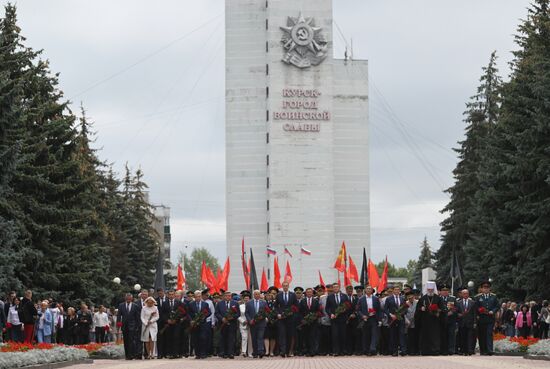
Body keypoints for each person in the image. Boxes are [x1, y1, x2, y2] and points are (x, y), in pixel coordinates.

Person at [416, 281, 443, 355]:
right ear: (427, 289)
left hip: (435, 321)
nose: (430, 291)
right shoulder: (423, 299)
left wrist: (438, 311)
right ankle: (425, 351)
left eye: (431, 289)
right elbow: (418, 309)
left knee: (435, 336)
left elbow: (442, 309)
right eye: (429, 289)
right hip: (425, 321)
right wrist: (421, 309)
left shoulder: (438, 298)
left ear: (434, 289)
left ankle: (435, 350)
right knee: (425, 336)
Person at [474, 281, 498, 355]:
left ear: (489, 288)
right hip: (481, 318)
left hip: (490, 318)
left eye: (487, 287)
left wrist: (493, 311)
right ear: (482, 288)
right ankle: (483, 350)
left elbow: (497, 306)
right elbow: (476, 307)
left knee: (489, 333)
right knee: (482, 334)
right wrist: (479, 311)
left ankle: (489, 350)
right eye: (484, 287)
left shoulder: (494, 296)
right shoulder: (478, 297)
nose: (486, 289)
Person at [325, 282, 350, 356]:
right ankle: (336, 351)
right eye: (334, 287)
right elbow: (327, 308)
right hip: (334, 319)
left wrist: (343, 310)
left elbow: (348, 306)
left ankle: (343, 350)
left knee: (343, 335)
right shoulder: (330, 297)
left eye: (337, 287)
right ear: (332, 288)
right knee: (335, 335)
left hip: (342, 319)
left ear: (339, 288)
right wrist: (331, 314)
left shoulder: (344, 296)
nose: (335, 288)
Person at [274, 281, 298, 357]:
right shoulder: (279, 295)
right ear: (282, 286)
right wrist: (277, 313)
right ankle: (283, 351)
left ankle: (288, 351)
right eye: (284, 286)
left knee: (289, 335)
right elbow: (276, 306)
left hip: (290, 318)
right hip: (281, 318)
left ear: (288, 286)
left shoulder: (293, 295)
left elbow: (296, 306)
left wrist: (292, 313)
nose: (285, 287)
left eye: (286, 286)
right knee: (282, 334)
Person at [357, 285, 382, 356]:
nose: (368, 290)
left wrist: (380, 320)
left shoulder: (375, 298)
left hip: (374, 318)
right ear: (365, 290)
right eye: (367, 289)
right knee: (366, 335)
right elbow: (358, 310)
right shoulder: (361, 299)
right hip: (365, 319)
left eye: (370, 289)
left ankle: (372, 348)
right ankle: (366, 350)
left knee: (374, 334)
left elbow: (379, 310)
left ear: (372, 290)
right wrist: (362, 316)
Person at [215, 290, 240, 359]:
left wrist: (232, 317)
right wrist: (222, 318)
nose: (228, 297)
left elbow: (238, 313)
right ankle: (223, 353)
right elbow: (216, 313)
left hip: (232, 324)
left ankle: (231, 353)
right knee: (223, 338)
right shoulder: (219, 303)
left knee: (231, 339)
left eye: (229, 296)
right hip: (222, 324)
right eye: (226, 296)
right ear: (224, 296)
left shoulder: (235, 303)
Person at [188, 290, 211, 359]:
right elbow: (188, 314)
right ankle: (197, 354)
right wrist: (191, 320)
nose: (198, 298)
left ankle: (203, 353)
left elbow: (209, 312)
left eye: (199, 296)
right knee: (196, 339)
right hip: (195, 324)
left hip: (203, 324)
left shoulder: (205, 304)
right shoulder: (191, 304)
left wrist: (204, 317)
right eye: (197, 297)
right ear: (194, 297)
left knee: (203, 338)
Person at [385, 285, 407, 356]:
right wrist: (390, 315)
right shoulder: (389, 299)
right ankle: (394, 351)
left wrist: (400, 314)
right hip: (392, 319)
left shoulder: (402, 298)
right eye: (395, 290)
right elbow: (385, 309)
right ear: (393, 291)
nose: (397, 291)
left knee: (402, 335)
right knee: (393, 335)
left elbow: (405, 309)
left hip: (401, 319)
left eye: (398, 290)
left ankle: (403, 350)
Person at [117, 293, 141, 360]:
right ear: (125, 298)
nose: (128, 299)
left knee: (131, 340)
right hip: (124, 326)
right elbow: (119, 316)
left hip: (132, 326)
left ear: (131, 299)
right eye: (127, 298)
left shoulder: (135, 306)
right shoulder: (121, 305)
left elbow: (137, 317)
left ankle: (132, 355)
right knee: (126, 341)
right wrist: (118, 325)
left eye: (129, 298)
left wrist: (138, 326)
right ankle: (127, 355)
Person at [245, 289, 268, 358]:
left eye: (258, 294)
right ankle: (255, 352)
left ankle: (260, 351)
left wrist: (262, 317)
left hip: (261, 323)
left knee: (260, 337)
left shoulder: (263, 302)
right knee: (254, 338)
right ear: (253, 295)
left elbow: (266, 312)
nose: (257, 295)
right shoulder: (249, 303)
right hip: (253, 323)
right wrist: (249, 320)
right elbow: (246, 313)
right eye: (256, 294)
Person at [298, 287, 320, 356]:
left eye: (310, 292)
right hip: (305, 322)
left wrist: (314, 317)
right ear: (306, 293)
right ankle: (307, 351)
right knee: (306, 337)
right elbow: (300, 311)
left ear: (312, 293)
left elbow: (318, 311)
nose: (309, 293)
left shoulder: (316, 301)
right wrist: (303, 319)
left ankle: (312, 351)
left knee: (312, 336)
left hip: (313, 322)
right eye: (308, 292)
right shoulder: (302, 301)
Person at [456, 289, 475, 355]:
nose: (465, 295)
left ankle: (469, 350)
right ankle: (463, 350)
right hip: (462, 322)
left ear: (468, 294)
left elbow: (474, 313)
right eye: (464, 293)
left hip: (470, 322)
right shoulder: (458, 302)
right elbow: (456, 312)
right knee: (462, 337)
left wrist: (474, 322)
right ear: (461, 294)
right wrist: (459, 315)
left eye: (466, 293)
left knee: (470, 337)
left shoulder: (472, 302)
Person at [403, 291, 418, 355]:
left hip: (415, 322)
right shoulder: (405, 303)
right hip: (408, 323)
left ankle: (415, 350)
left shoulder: (417, 302)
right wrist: (406, 320)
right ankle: (409, 350)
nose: (410, 299)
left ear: (414, 297)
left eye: (412, 297)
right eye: (409, 298)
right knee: (408, 337)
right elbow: (403, 313)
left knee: (415, 337)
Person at [155, 288, 168, 358]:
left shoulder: (168, 299)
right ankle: (160, 354)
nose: (160, 294)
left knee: (167, 337)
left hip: (167, 322)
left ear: (164, 292)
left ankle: (166, 353)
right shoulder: (155, 301)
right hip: (158, 322)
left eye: (161, 292)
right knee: (159, 338)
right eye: (159, 293)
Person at [238, 291, 251, 357]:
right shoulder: (240, 306)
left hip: (251, 323)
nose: (246, 299)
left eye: (247, 298)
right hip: (243, 323)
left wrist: (250, 321)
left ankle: (250, 352)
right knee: (244, 338)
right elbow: (238, 315)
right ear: (243, 299)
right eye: (245, 298)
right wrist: (242, 321)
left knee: (250, 339)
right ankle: (243, 352)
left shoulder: (251, 305)